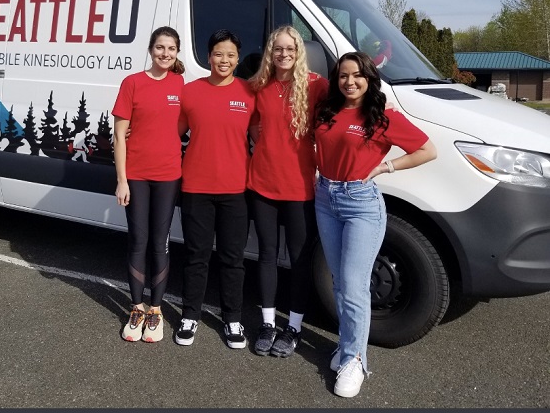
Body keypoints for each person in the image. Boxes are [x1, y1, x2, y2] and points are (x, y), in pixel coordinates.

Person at [313, 52, 437, 398]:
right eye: (342, 76)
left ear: (369, 78)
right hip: (325, 198)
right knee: (339, 282)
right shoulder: (329, 110)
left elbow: (428, 150)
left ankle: (355, 358)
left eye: (356, 75)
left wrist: (387, 168)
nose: (349, 82)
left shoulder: (381, 117)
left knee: (353, 285)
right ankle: (346, 345)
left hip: (360, 204)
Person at [246, 26, 328, 357]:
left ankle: (292, 327)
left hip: (299, 188)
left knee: (299, 260)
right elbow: (252, 123)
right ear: (270, 52)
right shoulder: (259, 85)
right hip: (262, 183)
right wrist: (258, 136)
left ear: (299, 52)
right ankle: (267, 323)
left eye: (290, 49)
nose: (284, 54)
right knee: (266, 254)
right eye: (278, 49)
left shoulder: (316, 86)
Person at [174, 29, 256, 349]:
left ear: (238, 59)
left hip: (236, 190)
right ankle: (190, 314)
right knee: (196, 256)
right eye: (218, 53)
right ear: (208, 56)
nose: (224, 60)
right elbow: (172, 135)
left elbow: (262, 139)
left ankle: (232, 318)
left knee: (233, 258)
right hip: (196, 187)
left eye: (231, 55)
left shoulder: (249, 93)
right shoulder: (190, 92)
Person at [112, 26, 185, 343]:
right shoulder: (132, 83)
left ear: (177, 53)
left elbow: (190, 124)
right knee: (138, 241)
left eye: (171, 48)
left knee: (160, 242)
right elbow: (119, 136)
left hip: (169, 176)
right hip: (137, 177)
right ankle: (137, 307)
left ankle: (156, 311)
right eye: (160, 47)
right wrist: (122, 181)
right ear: (151, 49)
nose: (165, 53)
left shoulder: (181, 85)